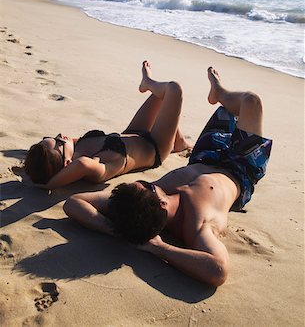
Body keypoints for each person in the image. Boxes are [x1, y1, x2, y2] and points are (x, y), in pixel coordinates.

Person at [63, 67, 272, 286]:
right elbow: (218, 270)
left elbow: (74, 202)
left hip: (204, 156)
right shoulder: (197, 225)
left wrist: (116, 231)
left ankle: (218, 93)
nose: (145, 182)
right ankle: (219, 92)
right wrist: (158, 247)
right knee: (251, 102)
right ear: (161, 203)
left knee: (227, 111)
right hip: (240, 170)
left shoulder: (137, 202)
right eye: (147, 185)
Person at [25, 61, 190, 189]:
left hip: (135, 131)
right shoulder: (92, 168)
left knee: (161, 96)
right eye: (58, 142)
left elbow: (43, 162)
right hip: (156, 147)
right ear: (67, 163)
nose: (61, 135)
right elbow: (80, 164)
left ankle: (180, 142)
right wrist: (49, 185)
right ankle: (147, 82)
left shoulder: (76, 146)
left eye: (54, 137)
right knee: (174, 89)